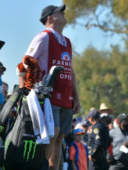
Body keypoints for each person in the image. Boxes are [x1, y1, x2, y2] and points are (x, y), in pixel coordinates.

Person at [21, 5, 81, 170]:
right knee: (52, 134)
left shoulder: (67, 41)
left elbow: (71, 71)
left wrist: (76, 97)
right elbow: (24, 64)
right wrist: (23, 93)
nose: (63, 13)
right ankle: (41, 167)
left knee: (60, 136)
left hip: (66, 96)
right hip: (48, 96)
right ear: (50, 18)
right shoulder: (43, 37)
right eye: (59, 11)